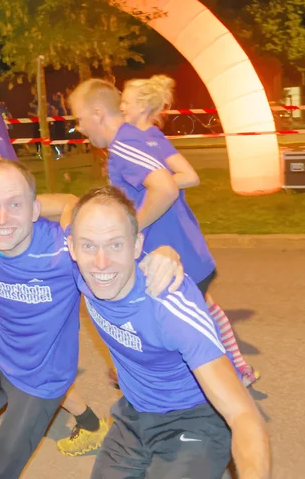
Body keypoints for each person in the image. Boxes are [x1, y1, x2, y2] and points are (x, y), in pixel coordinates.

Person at [0, 160, 183, 477]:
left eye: (14, 205)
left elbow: (118, 267)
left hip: (43, 381)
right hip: (0, 357)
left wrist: (165, 254)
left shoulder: (62, 254)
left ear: (35, 210)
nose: (1, 219)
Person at [68, 186, 270, 479]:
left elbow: (242, 415)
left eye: (115, 245)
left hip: (196, 419)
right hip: (134, 415)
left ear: (137, 246)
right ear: (72, 247)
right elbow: (60, 206)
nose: (101, 262)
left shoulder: (169, 306)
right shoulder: (78, 268)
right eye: (88, 246)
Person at [69, 78, 259, 386]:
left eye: (80, 118)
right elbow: (169, 181)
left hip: (174, 258)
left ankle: (223, 384)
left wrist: (129, 232)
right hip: (182, 254)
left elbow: (166, 187)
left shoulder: (125, 143)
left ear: (98, 113)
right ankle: (223, 376)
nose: (79, 127)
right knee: (193, 316)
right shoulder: (139, 137)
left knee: (177, 325)